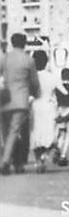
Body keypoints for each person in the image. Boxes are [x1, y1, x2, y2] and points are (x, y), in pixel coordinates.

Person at [0, 33, 40, 175]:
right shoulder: (28, 60)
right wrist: (36, 95)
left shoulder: (5, 58)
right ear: (24, 44)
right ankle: (7, 161)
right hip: (21, 100)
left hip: (4, 100)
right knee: (15, 131)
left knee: (6, 133)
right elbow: (34, 82)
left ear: (12, 43)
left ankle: (8, 158)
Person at [29, 50, 61, 173]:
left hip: (35, 106)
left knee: (36, 132)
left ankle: (38, 161)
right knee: (49, 133)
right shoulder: (51, 77)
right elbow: (63, 91)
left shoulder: (32, 77)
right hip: (49, 106)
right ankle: (45, 155)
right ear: (46, 62)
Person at [54, 68, 69, 165]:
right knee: (68, 135)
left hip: (60, 110)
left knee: (61, 133)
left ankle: (58, 148)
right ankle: (63, 155)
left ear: (61, 76)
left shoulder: (57, 88)